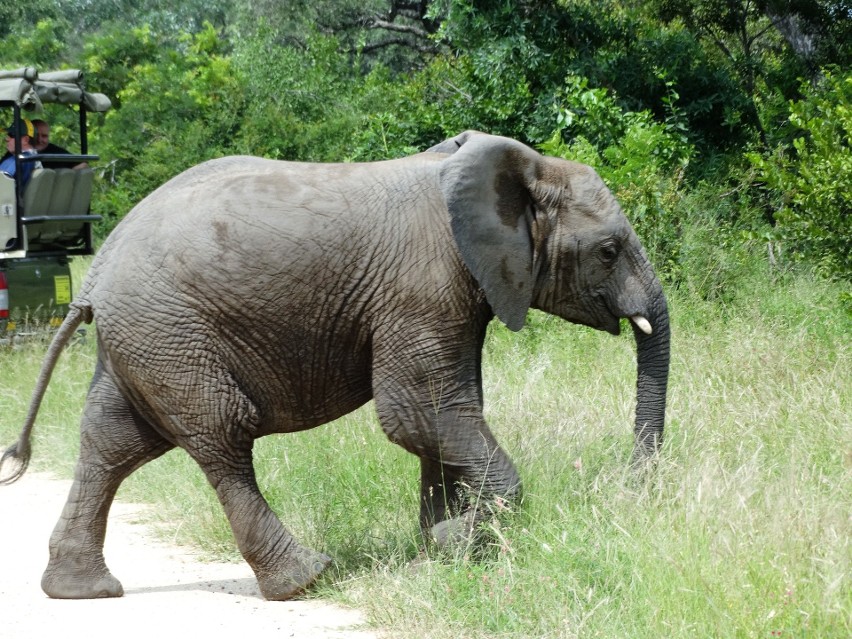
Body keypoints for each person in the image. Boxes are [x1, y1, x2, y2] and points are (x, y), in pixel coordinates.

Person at [0, 119, 42, 187]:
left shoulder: (16, 161)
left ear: (25, 140)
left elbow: (2, 185)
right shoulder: (35, 160)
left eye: (11, 135)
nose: (7, 139)